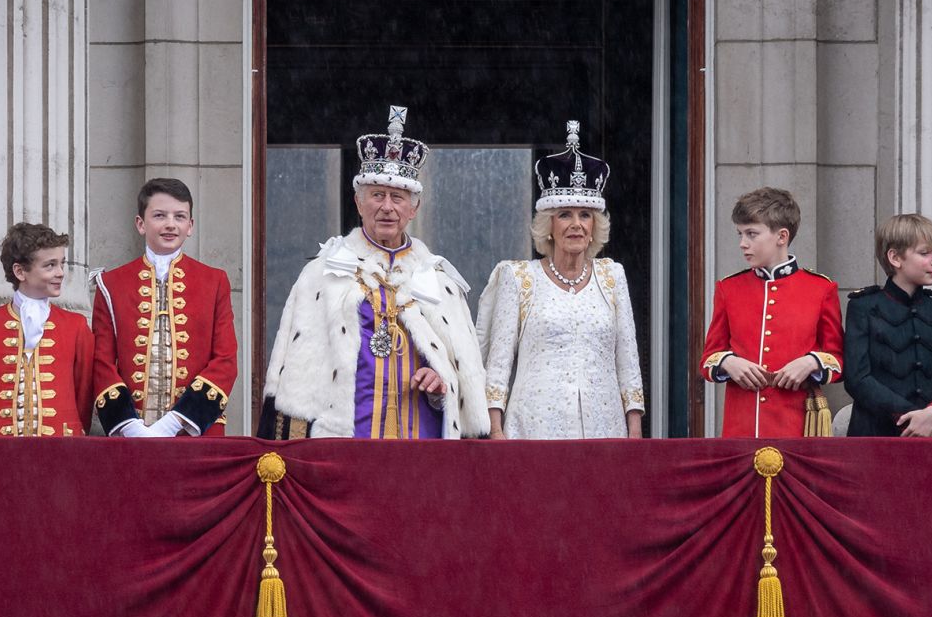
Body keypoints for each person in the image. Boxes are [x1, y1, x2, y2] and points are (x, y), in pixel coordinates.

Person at [259, 105, 489, 439]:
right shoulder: (322, 274)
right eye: (377, 195)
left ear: (414, 208)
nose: (387, 207)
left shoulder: (440, 281)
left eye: (398, 197)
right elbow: (295, 372)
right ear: (357, 202)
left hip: (422, 444)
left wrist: (441, 384)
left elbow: (463, 376)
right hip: (346, 441)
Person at [477, 121, 644, 439]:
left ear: (595, 225)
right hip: (533, 429)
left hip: (605, 429)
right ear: (548, 225)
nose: (576, 225)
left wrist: (634, 430)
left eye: (585, 215)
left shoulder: (612, 275)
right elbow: (498, 363)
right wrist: (495, 430)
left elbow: (628, 358)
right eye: (564, 214)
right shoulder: (518, 277)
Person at [92, 178, 237, 438]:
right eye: (159, 215)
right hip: (132, 434)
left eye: (180, 216)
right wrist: (130, 426)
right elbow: (101, 362)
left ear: (190, 226)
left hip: (197, 433)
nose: (170, 224)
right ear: (140, 223)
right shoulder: (110, 284)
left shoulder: (214, 281)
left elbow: (225, 360)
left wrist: (174, 423)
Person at [698, 186, 842, 438]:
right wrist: (728, 362)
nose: (743, 244)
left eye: (752, 234)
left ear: (781, 236)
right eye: (740, 234)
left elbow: (838, 359)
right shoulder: (728, 288)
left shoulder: (820, 288)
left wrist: (811, 361)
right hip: (740, 427)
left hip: (796, 426)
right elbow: (709, 357)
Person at [0, 222, 95, 436]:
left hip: (61, 447)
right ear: (20, 271)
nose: (60, 273)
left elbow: (84, 394)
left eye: (61, 264)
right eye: (50, 265)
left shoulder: (76, 326)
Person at [843, 214, 932, 437]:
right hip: (876, 436)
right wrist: (912, 416)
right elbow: (857, 378)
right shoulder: (864, 306)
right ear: (895, 258)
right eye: (925, 253)